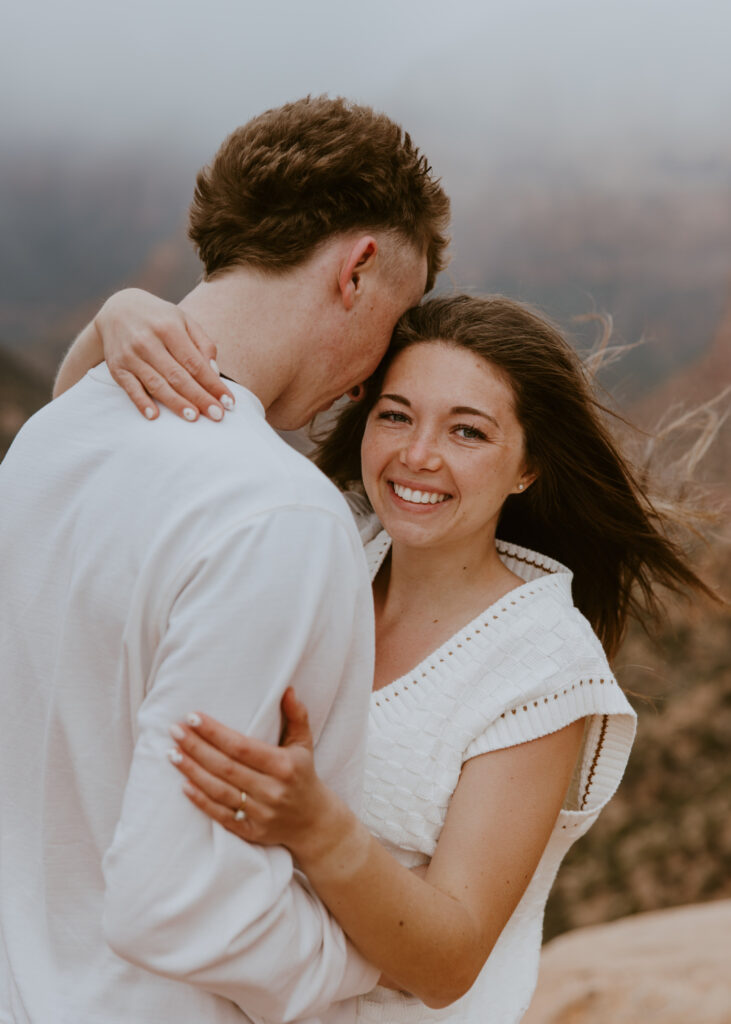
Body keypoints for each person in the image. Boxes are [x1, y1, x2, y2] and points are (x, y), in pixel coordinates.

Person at [57, 292, 714, 1023]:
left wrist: (315, 826)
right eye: (396, 415)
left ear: (526, 466)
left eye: (467, 432)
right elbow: (85, 462)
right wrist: (108, 324)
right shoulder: (320, 542)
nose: (417, 455)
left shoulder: (543, 667)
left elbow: (451, 961)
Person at [0, 96, 449, 1024]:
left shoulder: (46, 441)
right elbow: (177, 903)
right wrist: (364, 965)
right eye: (393, 316)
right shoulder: (275, 512)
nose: (369, 379)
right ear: (358, 269)